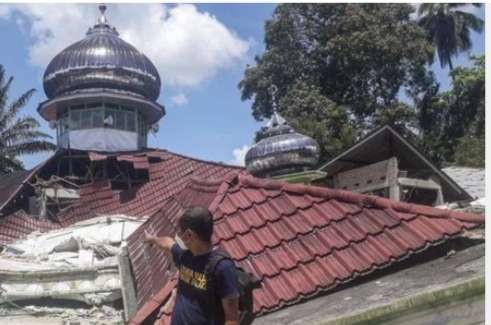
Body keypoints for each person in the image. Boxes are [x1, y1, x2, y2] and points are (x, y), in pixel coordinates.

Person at [144, 207, 240, 325]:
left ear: (189, 235)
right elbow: (168, 243)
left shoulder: (222, 267)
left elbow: (232, 319)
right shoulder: (185, 256)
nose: (177, 235)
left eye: (179, 231)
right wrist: (153, 239)